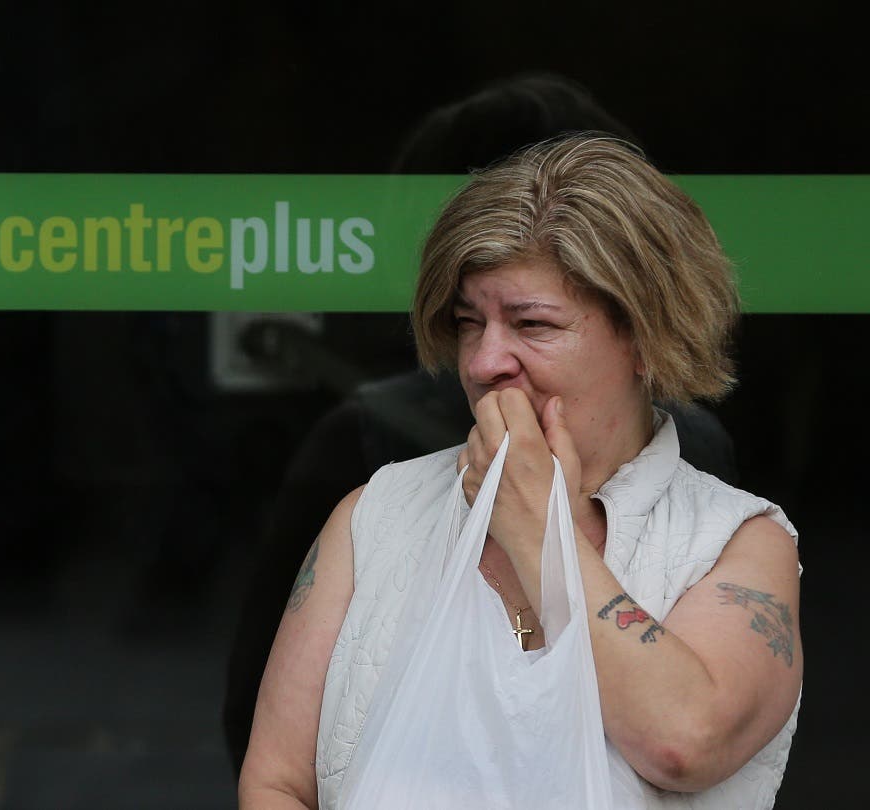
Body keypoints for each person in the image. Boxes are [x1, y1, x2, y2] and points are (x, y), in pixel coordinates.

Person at [237, 135, 802, 808]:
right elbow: (275, 782)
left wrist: (538, 531)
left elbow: (685, 742)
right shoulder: (375, 518)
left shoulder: (737, 546)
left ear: (647, 339)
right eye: (471, 322)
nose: (482, 362)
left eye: (532, 324)